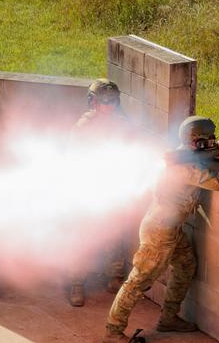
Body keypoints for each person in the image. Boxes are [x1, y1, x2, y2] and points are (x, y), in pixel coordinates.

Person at [103, 115, 219, 342]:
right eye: (209, 138)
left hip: (170, 228)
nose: (213, 141)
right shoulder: (184, 166)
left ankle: (168, 318)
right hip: (160, 232)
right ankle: (113, 331)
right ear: (196, 141)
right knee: (138, 281)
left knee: (186, 265)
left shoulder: (180, 155)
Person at [67, 78, 133, 307]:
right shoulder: (83, 127)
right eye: (105, 101)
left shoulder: (123, 124)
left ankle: (114, 277)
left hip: (113, 190)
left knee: (114, 233)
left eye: (113, 102)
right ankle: (76, 283)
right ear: (93, 102)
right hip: (86, 192)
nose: (109, 106)